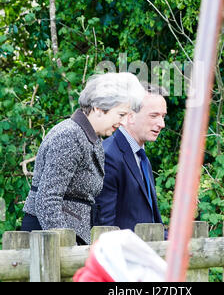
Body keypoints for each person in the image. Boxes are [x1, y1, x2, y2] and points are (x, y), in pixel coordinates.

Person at [21, 72, 145, 245]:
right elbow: (47, 200)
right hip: (49, 241)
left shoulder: (90, 137)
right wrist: (67, 245)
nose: (123, 122)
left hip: (69, 237)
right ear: (98, 109)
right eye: (121, 114)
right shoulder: (70, 136)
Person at [94, 84, 167, 237]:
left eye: (163, 116)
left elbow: (149, 219)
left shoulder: (141, 156)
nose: (162, 124)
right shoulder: (108, 156)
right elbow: (105, 228)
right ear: (129, 116)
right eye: (154, 116)